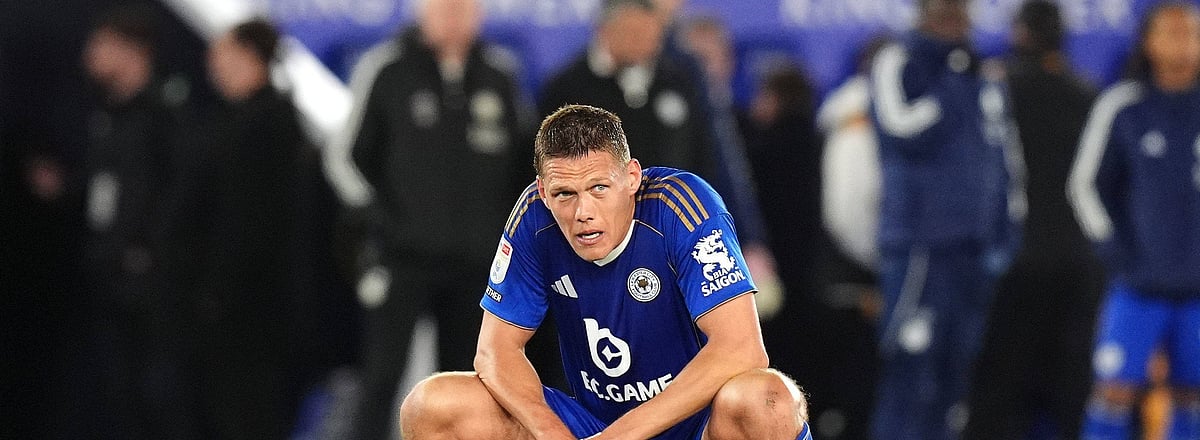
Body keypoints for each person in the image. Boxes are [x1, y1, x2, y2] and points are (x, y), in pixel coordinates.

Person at [397, 104, 811, 440]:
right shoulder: (533, 220)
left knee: (767, 399)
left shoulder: (684, 206)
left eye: (599, 188)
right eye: (564, 194)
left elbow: (742, 349)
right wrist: (552, 433)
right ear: (543, 191)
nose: (583, 213)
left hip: (697, 425)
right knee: (434, 405)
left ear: (631, 177)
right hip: (592, 425)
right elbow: (495, 352)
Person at [338, 0, 533, 437]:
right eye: (445, 6)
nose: (455, 15)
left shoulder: (499, 75)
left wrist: (507, 237)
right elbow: (348, 158)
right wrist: (384, 221)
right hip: (402, 258)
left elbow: (525, 168)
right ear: (422, 10)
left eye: (464, 7)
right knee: (381, 376)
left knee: (467, 382)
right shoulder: (388, 69)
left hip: (476, 264)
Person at [868, 0, 1022, 438]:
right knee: (910, 374)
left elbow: (1004, 154)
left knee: (957, 378)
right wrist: (953, 79)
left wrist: (1005, 230)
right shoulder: (899, 60)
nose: (956, 12)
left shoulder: (983, 74)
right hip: (920, 249)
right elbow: (904, 132)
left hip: (972, 251)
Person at [965, 2, 1103, 439]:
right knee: (1070, 374)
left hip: (1015, 256)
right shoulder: (1088, 94)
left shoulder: (998, 92)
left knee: (1004, 372)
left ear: (1021, 34)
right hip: (1077, 257)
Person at [173, 18, 310, 439]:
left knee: (247, 411)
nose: (214, 67)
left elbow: (249, 223)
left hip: (251, 305)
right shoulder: (244, 121)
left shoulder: (266, 127)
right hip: (242, 299)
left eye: (224, 56)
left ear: (252, 58)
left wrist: (216, 291)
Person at [1069, 3, 1200, 438]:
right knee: (1113, 396)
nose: (1184, 42)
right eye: (1172, 32)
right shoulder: (1123, 105)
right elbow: (1085, 186)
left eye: (1192, 32)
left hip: (1198, 292)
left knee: (1192, 400)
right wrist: (1118, 254)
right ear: (1148, 41)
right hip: (1138, 287)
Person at [80, 6, 199, 438]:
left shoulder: (163, 116)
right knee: (119, 394)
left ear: (131, 51)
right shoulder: (105, 113)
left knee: (159, 394)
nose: (90, 54)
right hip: (106, 272)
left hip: (150, 282)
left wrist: (148, 250)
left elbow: (179, 194)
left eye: (101, 44)